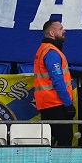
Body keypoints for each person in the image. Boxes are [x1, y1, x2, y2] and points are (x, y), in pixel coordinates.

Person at [33, 19, 76, 147]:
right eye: (61, 28)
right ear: (52, 33)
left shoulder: (43, 50)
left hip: (46, 104)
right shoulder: (51, 52)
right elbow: (57, 80)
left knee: (50, 142)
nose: (64, 31)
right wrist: (68, 104)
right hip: (56, 104)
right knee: (65, 141)